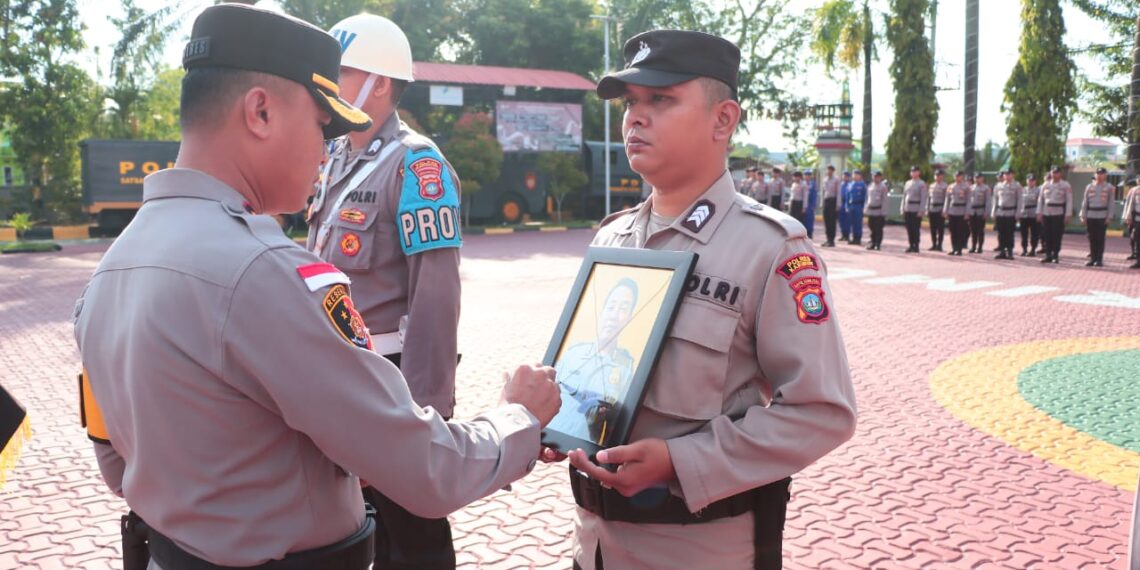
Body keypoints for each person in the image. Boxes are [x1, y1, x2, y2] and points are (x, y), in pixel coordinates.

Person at [72, 5, 561, 569]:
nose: (325, 146)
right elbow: (430, 470)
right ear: (260, 112)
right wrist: (518, 417)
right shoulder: (263, 275)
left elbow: (116, 464)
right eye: (321, 125)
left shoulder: (109, 273)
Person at [548, 29, 857, 570]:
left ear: (723, 119)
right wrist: (555, 417)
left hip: (696, 552)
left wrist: (680, 461)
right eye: (631, 103)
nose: (635, 118)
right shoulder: (612, 239)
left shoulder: (770, 248)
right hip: (592, 546)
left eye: (661, 100)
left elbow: (821, 412)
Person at [307, 14, 468, 568]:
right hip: (334, 372)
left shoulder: (418, 165)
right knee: (352, 524)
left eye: (341, 72)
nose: (326, 83)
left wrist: (426, 413)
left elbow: (435, 299)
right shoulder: (333, 155)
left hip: (391, 378)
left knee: (411, 534)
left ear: (379, 83)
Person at [548, 279, 638, 446]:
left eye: (623, 309)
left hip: (589, 446)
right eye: (610, 307)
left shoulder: (626, 370)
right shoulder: (573, 353)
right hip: (554, 436)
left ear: (629, 318)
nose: (614, 315)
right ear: (602, 312)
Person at [1079, 167, 1116, 267]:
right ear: (1095, 175)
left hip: (1102, 215)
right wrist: (1083, 215)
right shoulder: (1089, 187)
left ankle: (1099, 259)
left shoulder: (1109, 187)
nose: (1099, 175)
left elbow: (1111, 203)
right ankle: (1093, 258)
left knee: (1100, 238)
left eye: (1102, 173)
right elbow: (1085, 202)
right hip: (1091, 215)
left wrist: (1109, 216)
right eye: (1098, 173)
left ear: (1105, 175)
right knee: (1092, 238)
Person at [1036, 166, 1073, 264]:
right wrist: (1039, 212)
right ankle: (1048, 255)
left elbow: (1069, 201)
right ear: (1051, 173)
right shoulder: (1046, 185)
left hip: (1059, 212)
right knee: (1047, 235)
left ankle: (1055, 255)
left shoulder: (1065, 185)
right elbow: (1040, 199)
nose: (1055, 174)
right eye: (1053, 172)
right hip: (1046, 212)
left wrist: (1068, 214)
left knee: (1057, 235)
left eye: (1057, 173)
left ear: (1060, 174)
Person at [991, 170, 1022, 260]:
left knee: (1009, 233)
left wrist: (1018, 213)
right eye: (1005, 174)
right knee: (1001, 233)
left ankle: (1010, 252)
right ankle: (1002, 251)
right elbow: (995, 199)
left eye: (1009, 174)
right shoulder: (998, 186)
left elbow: (1019, 200)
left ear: (1013, 175)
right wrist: (993, 211)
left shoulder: (1017, 186)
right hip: (1000, 212)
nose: (1007, 176)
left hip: (1011, 212)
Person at [900, 165, 927, 253]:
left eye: (915, 171)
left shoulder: (921, 184)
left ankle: (916, 245)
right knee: (909, 228)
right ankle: (911, 245)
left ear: (918, 172)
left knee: (915, 228)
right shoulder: (907, 183)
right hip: (908, 208)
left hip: (916, 208)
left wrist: (921, 210)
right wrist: (902, 208)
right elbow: (904, 196)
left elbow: (923, 198)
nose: (913, 173)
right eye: (912, 171)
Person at [944, 170, 971, 256]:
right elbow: (947, 200)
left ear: (962, 177)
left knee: (960, 231)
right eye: (956, 176)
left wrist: (967, 212)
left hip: (961, 210)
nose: (957, 177)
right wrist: (945, 210)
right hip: (952, 210)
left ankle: (959, 249)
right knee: (953, 230)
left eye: (959, 176)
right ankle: (954, 248)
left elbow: (968, 201)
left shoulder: (966, 187)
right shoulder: (950, 186)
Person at [967, 173, 992, 254]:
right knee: (973, 230)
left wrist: (986, 212)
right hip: (972, 211)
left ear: (982, 178)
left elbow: (988, 201)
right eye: (976, 178)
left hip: (981, 211)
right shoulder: (970, 188)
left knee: (980, 230)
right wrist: (967, 211)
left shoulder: (986, 188)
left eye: (979, 178)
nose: (977, 179)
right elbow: (968, 201)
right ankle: (973, 246)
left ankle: (980, 247)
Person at [1018, 173, 1041, 256]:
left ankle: (1033, 249)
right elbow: (1019, 201)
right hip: (1024, 213)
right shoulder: (1023, 190)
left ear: (1035, 181)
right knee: (1023, 233)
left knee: (1034, 233)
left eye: (1032, 180)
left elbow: (1040, 202)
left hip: (1033, 212)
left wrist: (1039, 213)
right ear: (1026, 181)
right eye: (1029, 180)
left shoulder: (1038, 190)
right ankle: (1024, 249)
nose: (1031, 182)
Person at [865, 171, 889, 250]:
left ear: (880, 177)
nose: (875, 178)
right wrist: (866, 208)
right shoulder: (871, 186)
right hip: (871, 210)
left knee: (878, 228)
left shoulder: (883, 187)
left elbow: (885, 200)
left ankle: (877, 243)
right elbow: (868, 198)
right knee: (871, 227)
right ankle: (872, 242)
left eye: (877, 176)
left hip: (879, 210)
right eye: (874, 176)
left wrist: (883, 211)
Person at [926, 168, 947, 251]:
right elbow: (928, 198)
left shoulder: (945, 186)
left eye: (939, 175)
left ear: (942, 176)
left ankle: (940, 245)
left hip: (940, 208)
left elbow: (946, 199)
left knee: (940, 228)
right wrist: (927, 209)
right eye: (936, 175)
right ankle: (934, 244)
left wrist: (945, 210)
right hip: (932, 208)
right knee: (933, 228)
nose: (937, 177)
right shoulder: (931, 186)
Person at [846, 170, 867, 246]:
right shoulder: (850, 184)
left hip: (859, 205)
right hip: (851, 205)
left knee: (858, 223)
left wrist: (864, 207)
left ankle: (858, 238)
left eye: (857, 175)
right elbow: (847, 196)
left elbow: (865, 197)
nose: (855, 176)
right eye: (854, 174)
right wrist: (847, 206)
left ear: (860, 176)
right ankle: (854, 238)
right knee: (852, 223)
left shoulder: (862, 185)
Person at [821, 165, 840, 247]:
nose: (829, 171)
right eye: (828, 170)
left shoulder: (836, 179)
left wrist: (838, 204)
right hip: (826, 201)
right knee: (826, 221)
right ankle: (828, 239)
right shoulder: (824, 180)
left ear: (833, 171)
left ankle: (832, 240)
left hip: (833, 201)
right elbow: (823, 192)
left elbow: (838, 192)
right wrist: (821, 203)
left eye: (830, 170)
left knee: (832, 221)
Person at [1125, 178, 1139, 267]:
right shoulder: (1134, 191)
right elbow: (1129, 204)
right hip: (1137, 218)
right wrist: (1128, 216)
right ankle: (1138, 260)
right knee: (1137, 239)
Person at [838, 170, 852, 242]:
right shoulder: (841, 185)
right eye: (844, 176)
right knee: (841, 220)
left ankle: (847, 235)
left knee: (847, 221)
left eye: (846, 176)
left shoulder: (850, 185)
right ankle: (843, 235)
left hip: (847, 204)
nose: (845, 177)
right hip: (841, 204)